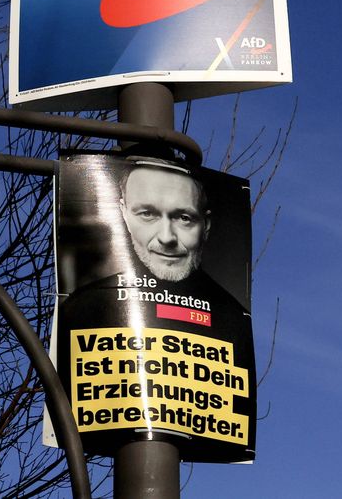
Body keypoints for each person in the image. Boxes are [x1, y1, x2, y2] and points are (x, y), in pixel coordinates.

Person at [56, 157, 256, 463]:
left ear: (207, 224)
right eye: (147, 214)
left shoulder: (233, 321)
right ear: (122, 212)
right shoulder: (81, 310)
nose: (167, 237)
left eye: (184, 218)